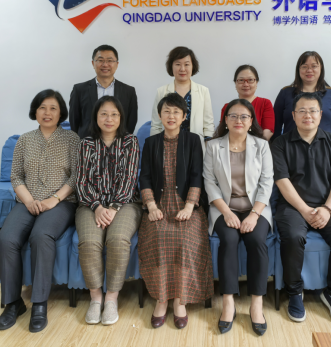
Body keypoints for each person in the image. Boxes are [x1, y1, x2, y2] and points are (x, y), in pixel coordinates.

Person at [0, 89, 80, 333]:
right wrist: (29, 200)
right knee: (6, 239)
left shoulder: (72, 139)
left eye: (53, 108)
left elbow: (76, 176)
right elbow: (15, 176)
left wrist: (54, 199)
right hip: (28, 201)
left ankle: (40, 303)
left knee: (41, 235)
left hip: (61, 202)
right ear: (35, 111)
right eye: (42, 107)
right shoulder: (24, 140)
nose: (47, 112)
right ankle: (13, 303)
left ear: (61, 113)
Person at [270, 92, 331, 325]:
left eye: (313, 111)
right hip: (292, 206)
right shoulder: (280, 144)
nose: (308, 115)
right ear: (293, 115)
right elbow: (282, 181)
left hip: (328, 205)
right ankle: (294, 292)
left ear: (321, 114)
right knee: (293, 237)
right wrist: (305, 210)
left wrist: (327, 208)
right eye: (302, 111)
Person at [139, 93, 213, 330]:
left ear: (184, 116)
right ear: (160, 115)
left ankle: (180, 301)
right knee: (158, 237)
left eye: (176, 112)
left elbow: (197, 176)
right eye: (166, 111)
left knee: (184, 238)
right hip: (159, 204)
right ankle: (161, 299)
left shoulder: (193, 140)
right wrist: (151, 205)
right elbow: (145, 177)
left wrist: (190, 206)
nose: (171, 116)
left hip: (186, 205)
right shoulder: (151, 142)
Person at [204, 99, 273, 336]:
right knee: (229, 239)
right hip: (224, 207)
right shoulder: (213, 146)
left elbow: (266, 183)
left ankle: (256, 304)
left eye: (244, 116)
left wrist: (254, 215)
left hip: (256, 208)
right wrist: (226, 212)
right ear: (225, 119)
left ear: (251, 121)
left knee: (257, 240)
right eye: (233, 116)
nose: (239, 120)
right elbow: (209, 183)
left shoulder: (261, 146)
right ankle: (228, 302)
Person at [74, 96, 142, 326]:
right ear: (96, 117)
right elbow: (81, 182)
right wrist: (97, 207)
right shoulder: (86, 144)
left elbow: (130, 179)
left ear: (121, 117)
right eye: (103, 114)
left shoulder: (130, 142)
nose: (109, 118)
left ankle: (111, 298)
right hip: (90, 204)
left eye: (114, 114)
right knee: (89, 242)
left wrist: (113, 208)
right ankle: (96, 298)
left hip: (125, 204)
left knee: (118, 239)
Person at [273, 51, 331, 141]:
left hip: (326, 147)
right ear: (298, 69)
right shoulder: (285, 93)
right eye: (304, 67)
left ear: (321, 68)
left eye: (314, 66)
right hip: (289, 147)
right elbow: (275, 127)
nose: (309, 70)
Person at [70, 44, 138, 138]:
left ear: (117, 64)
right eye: (100, 60)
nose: (105, 64)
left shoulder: (129, 91)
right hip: (87, 143)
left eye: (110, 60)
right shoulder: (79, 90)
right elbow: (74, 122)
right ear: (93, 63)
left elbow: (131, 122)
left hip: (119, 143)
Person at [150, 46, 215, 144]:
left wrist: (207, 146)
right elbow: (156, 125)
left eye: (187, 64)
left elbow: (208, 124)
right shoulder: (161, 91)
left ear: (193, 66)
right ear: (171, 66)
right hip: (167, 144)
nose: (182, 69)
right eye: (178, 64)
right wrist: (155, 146)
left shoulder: (203, 91)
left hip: (195, 145)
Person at [220, 65, 275, 141]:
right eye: (241, 80)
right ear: (235, 83)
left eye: (250, 80)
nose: (246, 84)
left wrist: (256, 146)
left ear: (256, 83)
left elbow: (268, 131)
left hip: (259, 146)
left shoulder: (265, 103)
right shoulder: (227, 107)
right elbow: (223, 131)